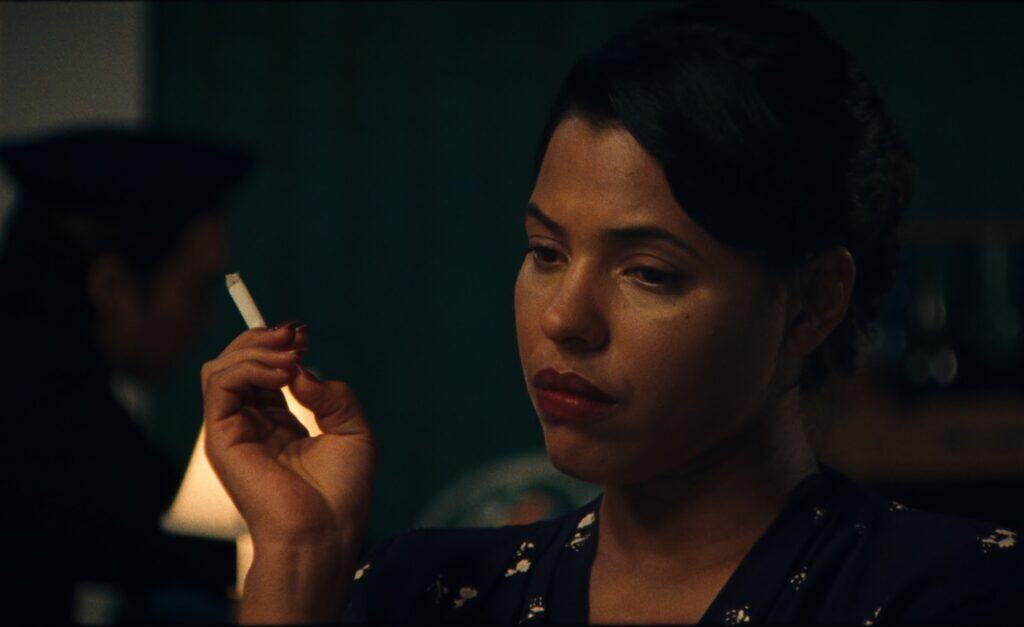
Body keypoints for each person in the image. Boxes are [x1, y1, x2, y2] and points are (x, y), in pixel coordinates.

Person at [199, 3, 1023, 624]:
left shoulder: (954, 592)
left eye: (650, 272)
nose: (564, 318)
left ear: (810, 302)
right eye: (546, 252)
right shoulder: (431, 593)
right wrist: (299, 555)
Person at [0, 127, 253, 621]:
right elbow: (163, 538)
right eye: (197, 288)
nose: (205, 318)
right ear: (113, 288)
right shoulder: (45, 420)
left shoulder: (48, 390)